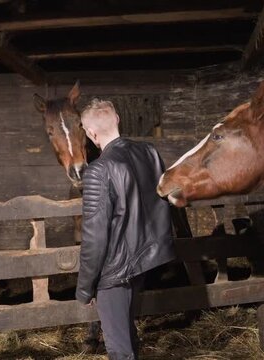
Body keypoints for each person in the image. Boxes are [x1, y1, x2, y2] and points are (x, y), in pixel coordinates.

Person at [75, 98, 176, 360]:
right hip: (144, 261)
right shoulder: (150, 152)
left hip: (116, 271)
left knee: (119, 350)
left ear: (91, 133)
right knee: (127, 335)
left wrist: (86, 286)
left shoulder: (99, 170)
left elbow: (94, 237)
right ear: (117, 119)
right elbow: (162, 204)